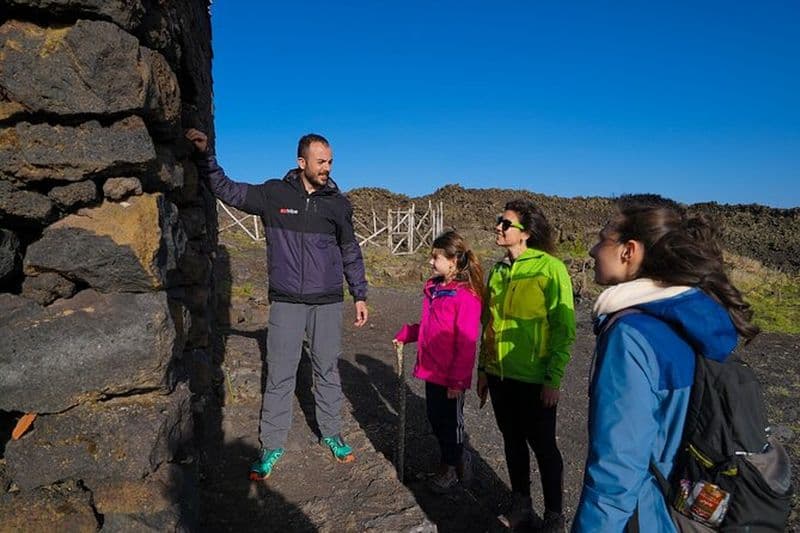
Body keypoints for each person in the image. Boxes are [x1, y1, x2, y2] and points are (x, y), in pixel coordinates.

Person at [185, 128, 368, 480]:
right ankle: (271, 444)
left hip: (328, 303)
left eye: (330, 161)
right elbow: (227, 189)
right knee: (280, 373)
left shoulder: (338, 204)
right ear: (302, 162)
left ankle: (331, 433)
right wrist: (206, 156)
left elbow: (350, 251)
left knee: (326, 369)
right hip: (286, 302)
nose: (327, 167)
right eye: (320, 161)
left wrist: (359, 294)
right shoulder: (274, 193)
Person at [572, 204, 759, 532]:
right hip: (691, 511)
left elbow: (617, 473)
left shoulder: (630, 335)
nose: (592, 249)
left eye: (602, 239)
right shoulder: (698, 316)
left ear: (629, 251)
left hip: (648, 515)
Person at [477, 199, 576, 532]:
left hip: (535, 379)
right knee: (511, 441)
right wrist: (483, 369)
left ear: (526, 233)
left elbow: (564, 328)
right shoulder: (497, 271)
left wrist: (554, 378)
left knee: (545, 447)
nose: (498, 227)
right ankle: (521, 504)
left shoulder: (550, 268)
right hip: (501, 375)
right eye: (498, 221)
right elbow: (488, 324)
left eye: (506, 223)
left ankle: (554, 517)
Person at [393, 230, 484, 493]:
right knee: (435, 418)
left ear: (453, 261)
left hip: (450, 376)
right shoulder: (435, 288)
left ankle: (451, 467)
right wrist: (408, 334)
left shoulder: (466, 295)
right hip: (431, 369)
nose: (431, 263)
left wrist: (457, 380)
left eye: (436, 258)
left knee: (451, 424)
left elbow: (466, 342)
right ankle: (454, 459)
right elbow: (431, 326)